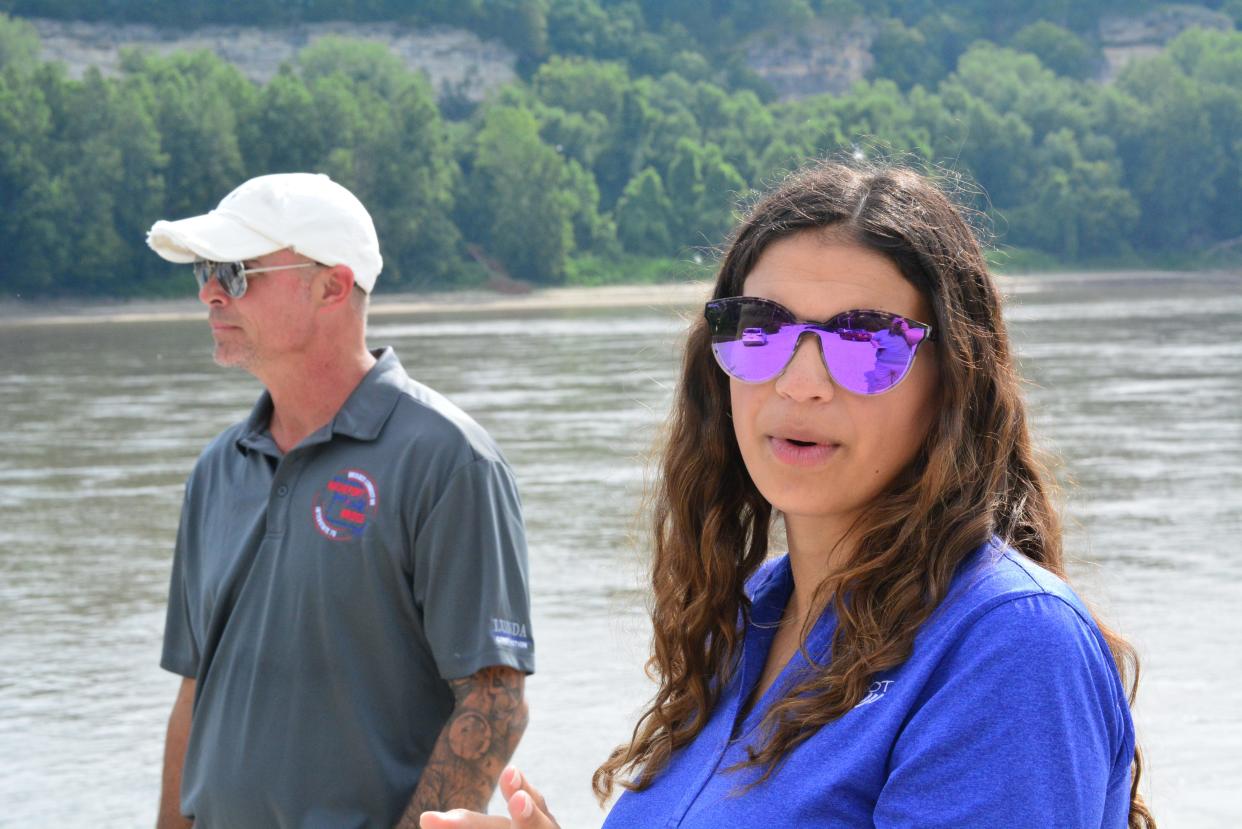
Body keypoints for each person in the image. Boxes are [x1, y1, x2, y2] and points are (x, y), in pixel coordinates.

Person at [419, 160, 1154, 828]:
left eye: (866, 342)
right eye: (759, 329)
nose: (800, 381)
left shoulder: (1011, 647)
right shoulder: (745, 622)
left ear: (953, 384)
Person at [147, 172, 535, 828]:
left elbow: (495, 700)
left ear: (332, 284)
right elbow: (194, 690)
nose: (211, 292)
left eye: (237, 272)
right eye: (207, 272)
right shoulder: (217, 469)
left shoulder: (448, 459)